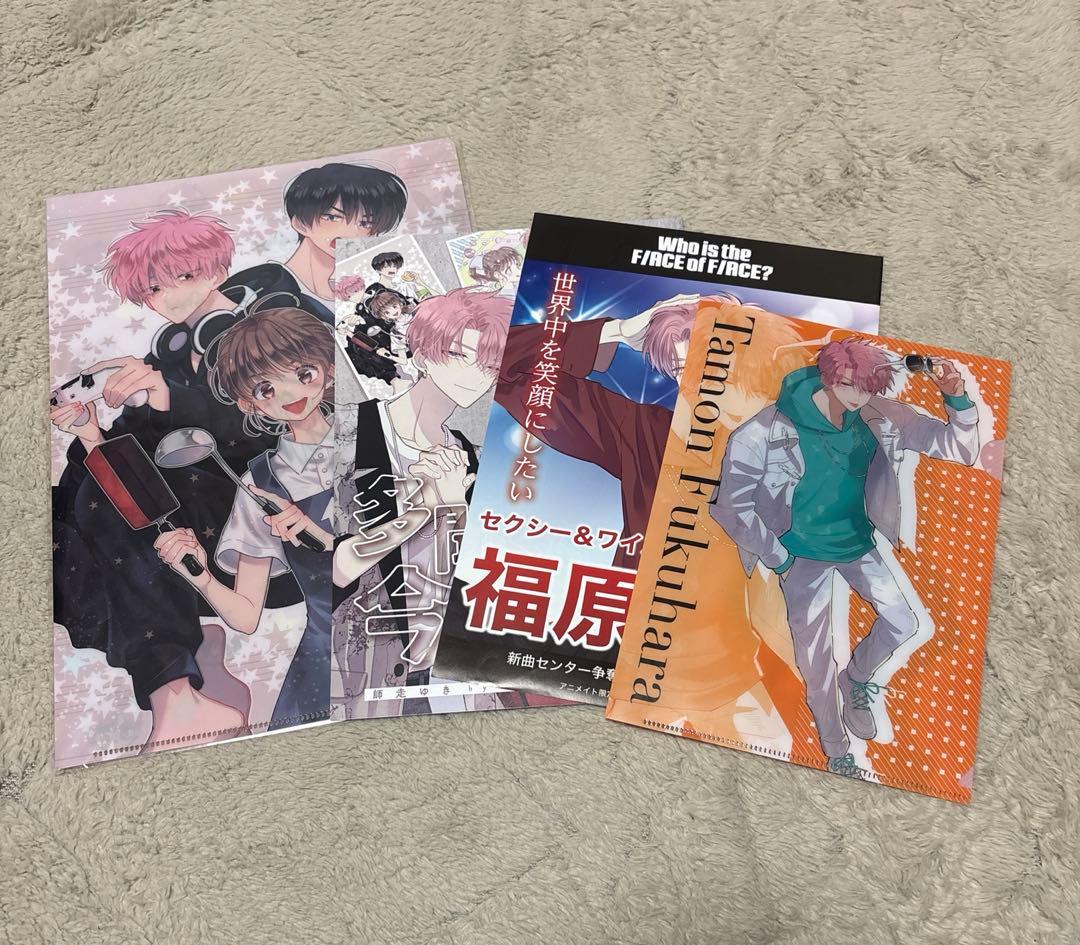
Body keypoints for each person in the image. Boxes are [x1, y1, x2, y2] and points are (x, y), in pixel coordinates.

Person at [50, 209, 277, 750]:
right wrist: (90, 431)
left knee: (109, 512)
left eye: (182, 277)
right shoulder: (168, 350)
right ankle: (195, 658)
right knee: (60, 520)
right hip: (171, 490)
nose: (166, 295)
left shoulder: (261, 333)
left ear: (216, 270)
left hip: (241, 496)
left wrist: (165, 396)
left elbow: (263, 428)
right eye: (152, 288)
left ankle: (175, 693)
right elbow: (135, 443)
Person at [710, 338, 980, 778]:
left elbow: (959, 449)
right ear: (828, 375)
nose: (858, 396)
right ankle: (837, 751)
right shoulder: (762, 431)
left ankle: (857, 679)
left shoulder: (877, 414)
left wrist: (957, 399)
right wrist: (779, 558)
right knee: (817, 662)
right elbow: (730, 507)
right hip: (801, 558)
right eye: (850, 384)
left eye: (868, 387)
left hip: (857, 544)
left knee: (903, 622)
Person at [154, 304, 337, 731]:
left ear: (329, 368)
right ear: (247, 403)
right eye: (266, 388)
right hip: (326, 657)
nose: (290, 393)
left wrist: (321, 535)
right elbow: (246, 617)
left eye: (304, 373)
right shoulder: (260, 484)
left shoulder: (378, 434)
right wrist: (200, 576)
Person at [333, 288, 512, 716]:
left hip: (452, 666)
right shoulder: (352, 429)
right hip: (371, 661)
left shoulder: (469, 455)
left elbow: (480, 574)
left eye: (491, 364)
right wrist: (426, 507)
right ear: (424, 353)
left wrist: (457, 507)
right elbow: (336, 569)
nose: (478, 374)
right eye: (462, 355)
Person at [226, 163, 409, 325]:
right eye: (332, 217)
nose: (350, 234)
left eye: (365, 223)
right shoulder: (258, 283)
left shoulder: (356, 295)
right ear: (301, 224)